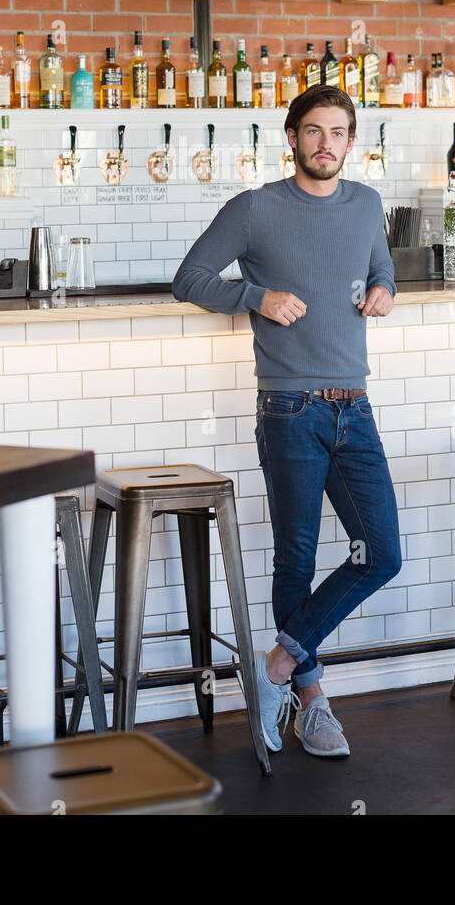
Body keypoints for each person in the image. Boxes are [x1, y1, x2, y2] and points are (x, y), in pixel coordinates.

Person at [172, 83, 401, 758]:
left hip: (353, 409)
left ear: (351, 143)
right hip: (289, 411)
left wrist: (386, 289)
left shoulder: (367, 203)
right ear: (292, 138)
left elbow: (381, 268)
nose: (326, 143)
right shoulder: (254, 209)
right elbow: (188, 279)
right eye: (313, 131)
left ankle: (276, 665)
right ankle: (314, 702)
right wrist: (255, 296)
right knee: (296, 561)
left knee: (381, 554)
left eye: (338, 132)